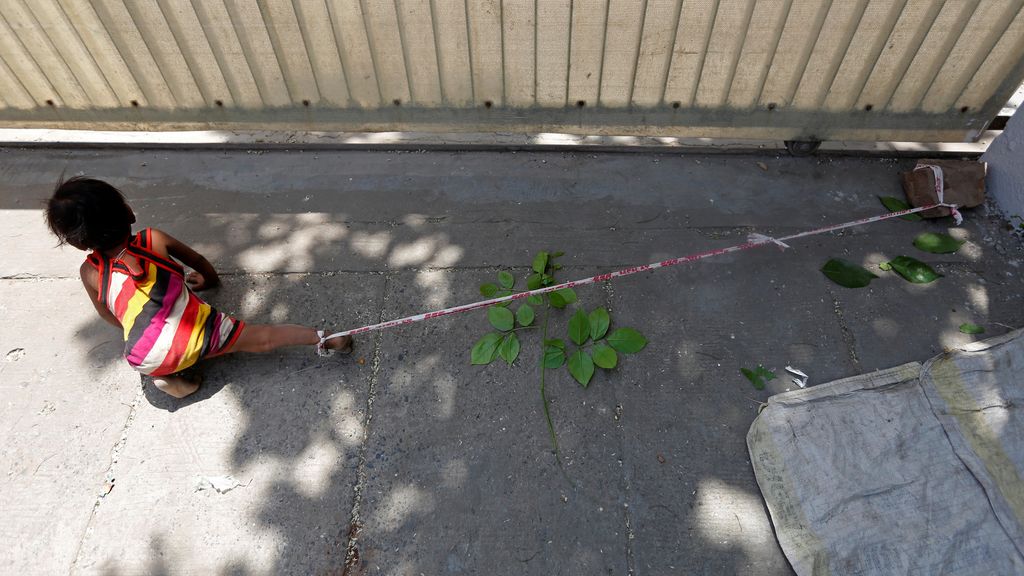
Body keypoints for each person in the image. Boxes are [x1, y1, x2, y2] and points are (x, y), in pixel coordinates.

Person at [45, 176, 353, 399]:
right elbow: (198, 261)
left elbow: (111, 317)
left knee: (166, 364)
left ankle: (174, 381)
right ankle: (328, 338)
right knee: (263, 338)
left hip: (145, 356)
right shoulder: (153, 240)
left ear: (78, 243)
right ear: (128, 213)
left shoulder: (90, 273)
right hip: (200, 333)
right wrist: (210, 281)